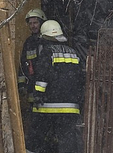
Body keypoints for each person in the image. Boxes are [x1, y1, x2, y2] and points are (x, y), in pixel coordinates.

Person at [26, 20, 84, 153]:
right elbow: (80, 78)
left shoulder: (47, 52)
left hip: (48, 106)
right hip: (71, 108)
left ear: (45, 38)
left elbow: (43, 77)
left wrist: (37, 95)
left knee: (38, 137)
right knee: (67, 140)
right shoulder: (74, 53)